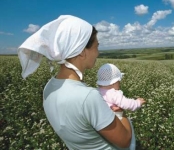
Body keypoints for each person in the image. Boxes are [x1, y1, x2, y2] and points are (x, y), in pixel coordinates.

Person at [18, 15, 133, 149]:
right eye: (96, 47)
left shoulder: (49, 87)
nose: (98, 53)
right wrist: (120, 112)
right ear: (83, 52)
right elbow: (125, 140)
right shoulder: (88, 97)